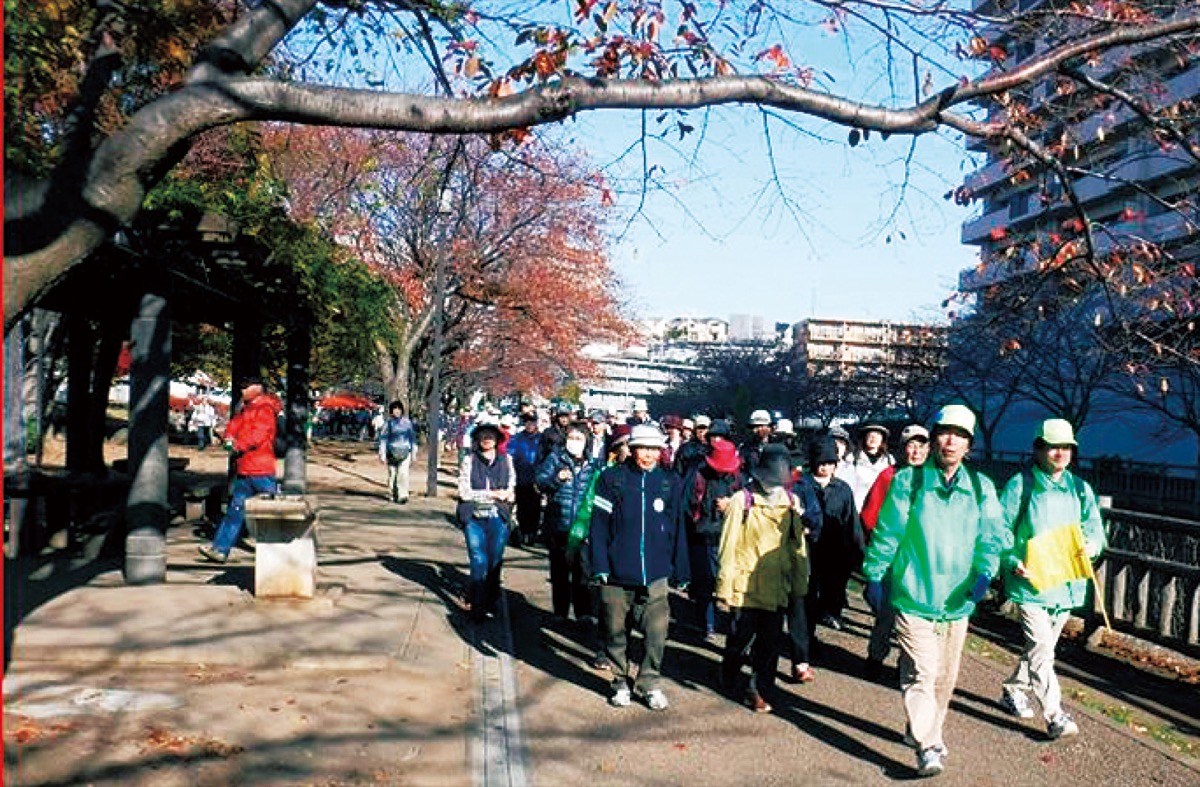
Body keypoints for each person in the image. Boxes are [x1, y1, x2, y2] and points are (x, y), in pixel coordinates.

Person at [861, 404, 1009, 778]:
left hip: (958, 601)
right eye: (944, 432)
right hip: (913, 594)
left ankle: (925, 731)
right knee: (921, 672)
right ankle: (928, 745)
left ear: (968, 445)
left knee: (944, 678)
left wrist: (985, 573)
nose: (950, 441)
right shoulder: (908, 483)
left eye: (959, 435)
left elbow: (992, 538)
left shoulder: (981, 487)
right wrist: (875, 575)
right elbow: (888, 533)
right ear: (933, 437)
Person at [998, 418, 1106, 740]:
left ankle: (1012, 690)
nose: (1060, 453)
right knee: (1042, 648)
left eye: (1066, 447)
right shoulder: (1022, 485)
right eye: (1053, 446)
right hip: (1030, 583)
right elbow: (1001, 529)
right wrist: (1012, 560)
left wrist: (1092, 545)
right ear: (1038, 449)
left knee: (1041, 651)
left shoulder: (1080, 488)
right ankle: (1055, 715)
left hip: (1066, 585)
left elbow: (1096, 530)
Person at [589, 424, 689, 711]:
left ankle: (649, 683)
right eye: (643, 448)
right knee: (615, 631)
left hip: (655, 573)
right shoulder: (612, 479)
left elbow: (677, 528)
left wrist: (680, 570)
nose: (648, 455)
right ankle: (620, 681)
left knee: (656, 634)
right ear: (631, 450)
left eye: (654, 449)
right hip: (616, 572)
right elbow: (598, 524)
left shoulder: (670, 482)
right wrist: (599, 563)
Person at [716, 444, 809, 714]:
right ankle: (729, 668)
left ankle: (758, 690)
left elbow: (798, 548)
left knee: (769, 645)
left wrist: (800, 584)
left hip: (777, 587)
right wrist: (724, 587)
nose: (773, 486)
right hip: (745, 586)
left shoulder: (792, 504)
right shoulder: (740, 501)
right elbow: (728, 545)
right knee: (739, 639)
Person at [860, 424, 931, 679]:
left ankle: (906, 663)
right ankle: (876, 656)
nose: (916, 451)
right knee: (886, 616)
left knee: (914, 618)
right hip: (892, 559)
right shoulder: (889, 476)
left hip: (920, 562)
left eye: (922, 445)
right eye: (911, 445)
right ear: (902, 448)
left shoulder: (933, 479)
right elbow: (871, 516)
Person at [199, 376, 279, 564]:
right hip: (246, 468)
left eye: (246, 386)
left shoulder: (264, 409)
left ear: (258, 387)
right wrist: (227, 437)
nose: (242, 390)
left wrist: (237, 445)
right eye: (241, 386)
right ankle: (220, 549)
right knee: (235, 511)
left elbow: (258, 435)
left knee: (273, 513)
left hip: (260, 469)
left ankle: (279, 552)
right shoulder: (245, 410)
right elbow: (233, 428)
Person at [683, 428, 745, 641]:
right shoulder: (697, 476)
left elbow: (749, 507)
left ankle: (734, 625)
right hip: (702, 538)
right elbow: (686, 507)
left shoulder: (738, 480)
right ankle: (707, 624)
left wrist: (733, 506)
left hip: (731, 538)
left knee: (733, 582)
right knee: (704, 584)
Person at [536, 423, 600, 624]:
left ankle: (584, 613)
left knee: (583, 573)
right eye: (571, 438)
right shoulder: (556, 459)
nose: (574, 442)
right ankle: (560, 612)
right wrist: (556, 478)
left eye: (579, 439)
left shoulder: (594, 465)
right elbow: (540, 481)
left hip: (583, 528)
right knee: (560, 572)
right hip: (558, 524)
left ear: (586, 442)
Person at [456, 421, 517, 621]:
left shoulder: (506, 460)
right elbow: (464, 493)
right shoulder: (469, 460)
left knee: (494, 560)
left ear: (497, 440)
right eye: (483, 436)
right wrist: (491, 494)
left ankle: (491, 597)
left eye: (491, 436)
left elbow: (510, 491)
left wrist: (502, 496)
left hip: (498, 517)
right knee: (478, 559)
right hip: (474, 517)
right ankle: (477, 603)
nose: (487, 440)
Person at [806, 438, 861, 634]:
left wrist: (857, 550)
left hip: (833, 550)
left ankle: (830, 613)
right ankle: (808, 636)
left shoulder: (843, 489)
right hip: (807, 550)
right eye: (821, 463)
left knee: (831, 590)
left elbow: (851, 521)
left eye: (830, 463)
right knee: (807, 595)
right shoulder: (802, 485)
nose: (825, 468)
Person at [507, 412, 544, 546]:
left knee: (534, 508)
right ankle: (522, 532)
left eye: (532, 422)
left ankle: (531, 533)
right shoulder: (517, 438)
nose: (529, 425)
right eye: (527, 423)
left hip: (536, 479)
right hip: (520, 478)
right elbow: (509, 456)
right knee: (522, 507)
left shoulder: (541, 439)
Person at [842, 423, 895, 511]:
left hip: (881, 510)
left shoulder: (890, 461)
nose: (874, 438)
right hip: (857, 510)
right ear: (864, 437)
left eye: (878, 435)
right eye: (870, 435)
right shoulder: (852, 459)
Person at [377, 400, 417, 504]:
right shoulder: (388, 424)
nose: (397, 411)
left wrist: (413, 453)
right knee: (393, 475)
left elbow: (412, 438)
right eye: (395, 409)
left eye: (399, 409)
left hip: (405, 452)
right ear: (391, 411)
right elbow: (383, 439)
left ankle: (403, 495)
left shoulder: (407, 423)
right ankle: (392, 493)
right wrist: (382, 453)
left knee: (403, 474)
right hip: (391, 452)